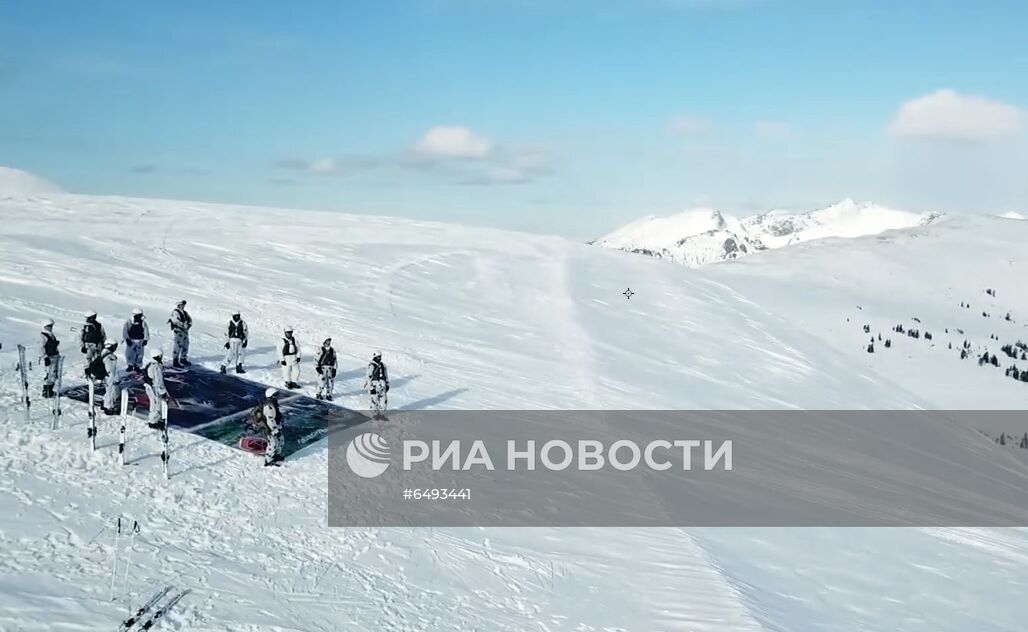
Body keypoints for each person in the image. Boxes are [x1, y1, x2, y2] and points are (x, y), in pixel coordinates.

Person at [143, 349, 167, 429]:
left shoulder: (149, 364)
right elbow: (158, 380)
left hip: (149, 387)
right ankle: (154, 421)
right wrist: (162, 391)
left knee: (153, 404)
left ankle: (153, 420)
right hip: (155, 388)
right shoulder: (156, 367)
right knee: (157, 405)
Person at [121, 308, 149, 372]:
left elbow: (146, 331)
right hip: (131, 341)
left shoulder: (143, 323)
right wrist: (127, 339)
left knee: (139, 354)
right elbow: (125, 331)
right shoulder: (129, 322)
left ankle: (137, 366)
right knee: (129, 354)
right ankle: (130, 365)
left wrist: (145, 339)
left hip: (140, 341)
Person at [39, 319, 61, 398]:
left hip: (54, 356)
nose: (50, 328)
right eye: (48, 326)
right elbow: (41, 348)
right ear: (44, 326)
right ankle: (46, 391)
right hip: (49, 357)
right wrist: (45, 357)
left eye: (51, 326)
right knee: (49, 374)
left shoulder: (51, 334)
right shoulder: (43, 336)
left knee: (54, 374)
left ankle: (50, 390)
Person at [168, 300, 193, 368]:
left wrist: (188, 325)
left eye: (183, 305)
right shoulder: (176, 312)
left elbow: (190, 320)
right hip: (178, 331)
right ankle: (175, 360)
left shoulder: (185, 313)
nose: (183, 306)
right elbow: (176, 321)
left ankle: (183, 358)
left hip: (184, 331)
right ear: (179, 305)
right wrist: (183, 325)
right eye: (182, 305)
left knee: (186, 344)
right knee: (178, 345)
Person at [263, 388, 284, 466]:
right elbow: (270, 419)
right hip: (271, 428)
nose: (277, 396)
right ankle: (269, 460)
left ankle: (276, 455)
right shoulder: (269, 406)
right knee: (273, 443)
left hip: (277, 426)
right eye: (275, 395)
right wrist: (275, 430)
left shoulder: (273, 403)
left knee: (280, 440)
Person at [364, 351, 389, 415]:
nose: (379, 358)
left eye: (380, 357)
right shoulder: (371, 366)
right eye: (378, 357)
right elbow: (368, 378)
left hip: (382, 385)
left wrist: (387, 384)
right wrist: (371, 388)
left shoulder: (383, 365)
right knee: (374, 402)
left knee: (384, 402)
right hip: (374, 385)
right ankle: (374, 415)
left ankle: (382, 414)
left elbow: (386, 375)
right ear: (375, 357)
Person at [99, 340, 120, 414]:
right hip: (110, 377)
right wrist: (115, 379)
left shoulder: (103, 353)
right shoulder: (110, 356)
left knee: (107, 391)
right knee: (111, 391)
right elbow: (111, 369)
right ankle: (109, 407)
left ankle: (105, 403)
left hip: (105, 376)